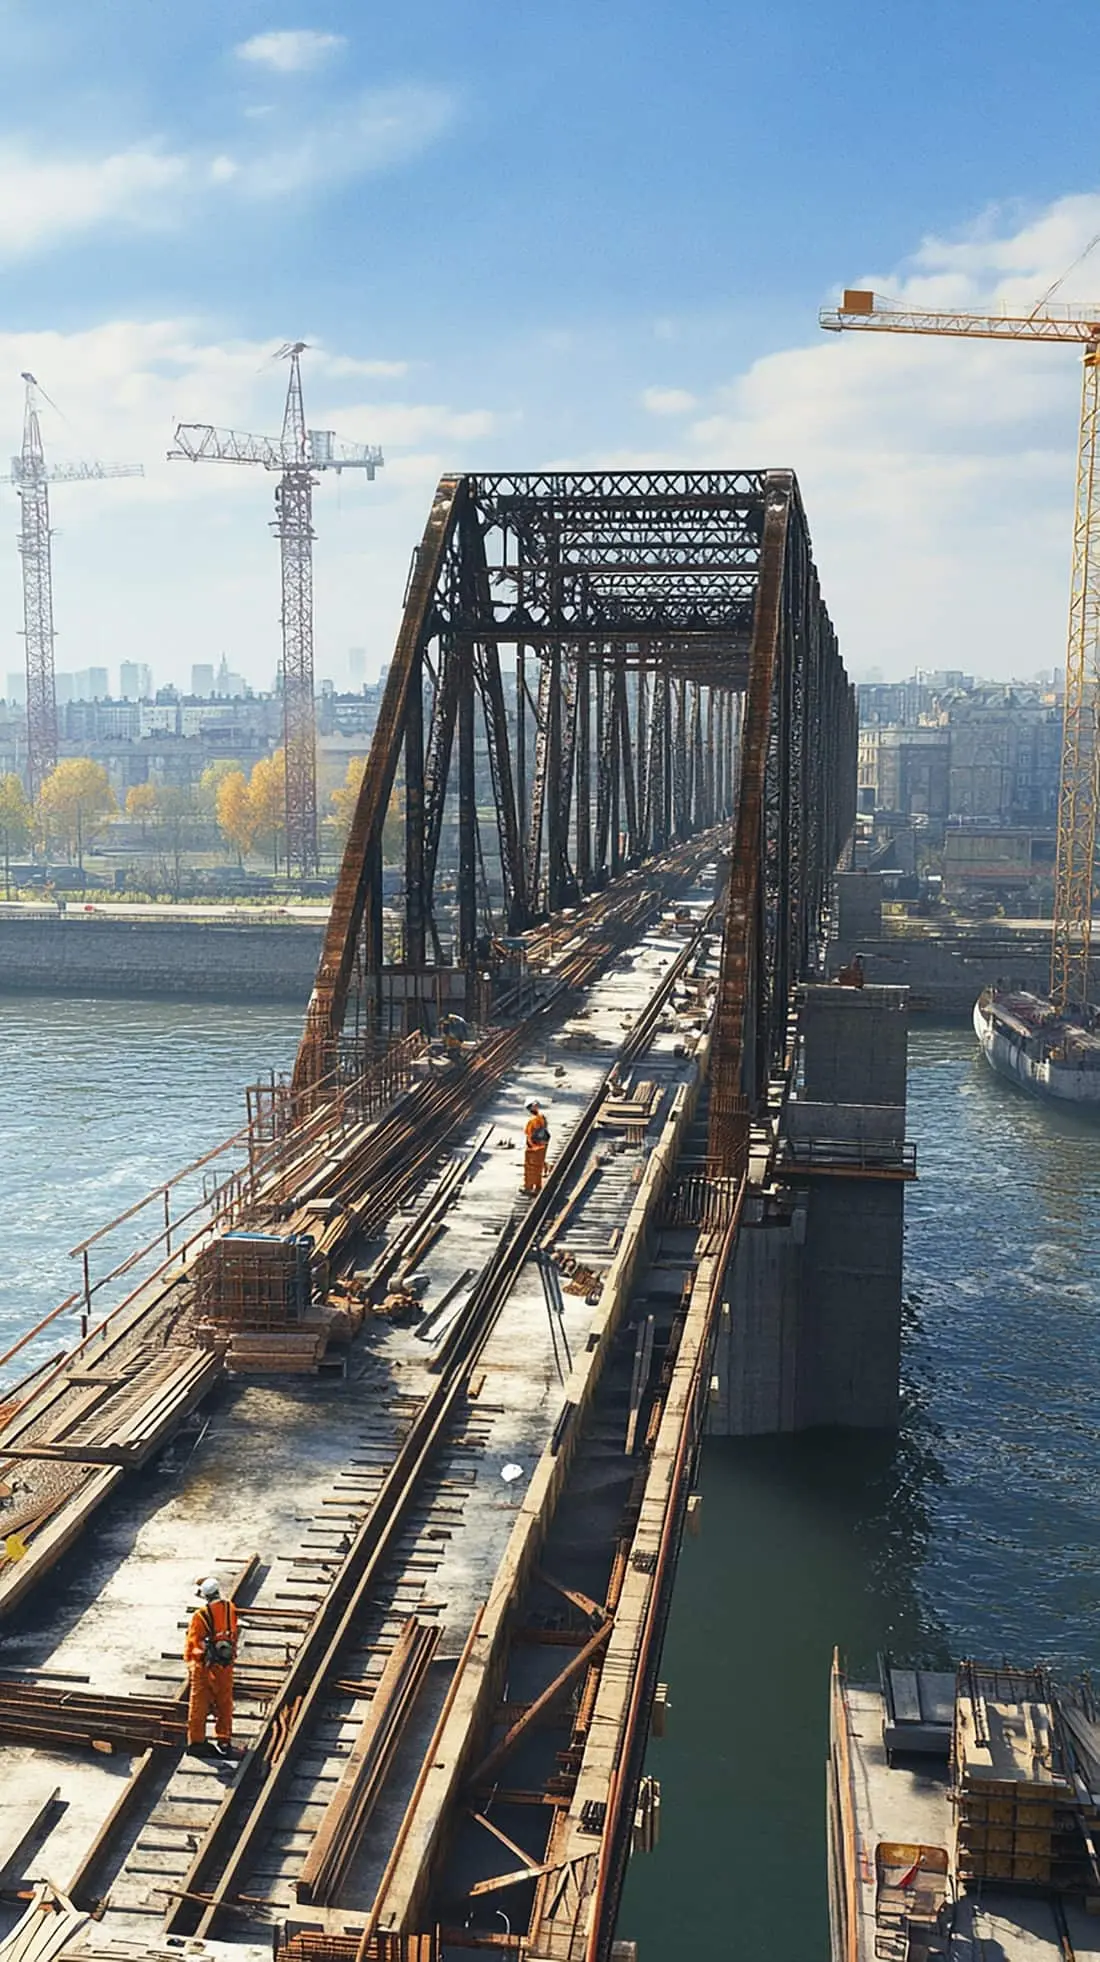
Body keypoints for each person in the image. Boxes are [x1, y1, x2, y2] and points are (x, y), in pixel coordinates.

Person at [185, 1576, 239, 1759]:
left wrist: (192, 1663)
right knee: (224, 1701)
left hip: (204, 1666)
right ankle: (224, 1739)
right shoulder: (229, 1608)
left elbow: (193, 1643)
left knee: (199, 1704)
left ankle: (197, 1742)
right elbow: (233, 1633)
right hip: (224, 1664)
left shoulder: (200, 1616)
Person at [524, 1101, 550, 1194]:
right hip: (541, 1146)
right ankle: (537, 1187)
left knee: (530, 1168)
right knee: (538, 1167)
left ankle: (528, 1187)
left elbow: (529, 1133)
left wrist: (531, 1145)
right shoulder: (541, 1117)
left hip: (533, 1147)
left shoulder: (532, 1120)